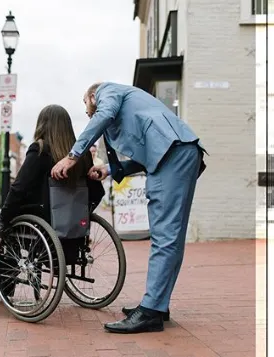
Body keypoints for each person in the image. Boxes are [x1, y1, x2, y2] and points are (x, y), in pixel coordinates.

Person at [51, 82, 206, 334]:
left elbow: (104, 114)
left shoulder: (107, 91)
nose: (87, 112)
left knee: (165, 238)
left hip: (173, 155)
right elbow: (146, 152)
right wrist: (110, 169)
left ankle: (151, 312)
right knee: (170, 239)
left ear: (92, 96)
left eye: (86, 105)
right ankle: (157, 305)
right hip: (174, 154)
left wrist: (73, 156)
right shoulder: (129, 108)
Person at [0, 105, 105, 257]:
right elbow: (97, 192)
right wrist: (79, 215)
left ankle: (4, 276)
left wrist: (4, 220)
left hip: (41, 228)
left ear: (42, 125)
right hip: (73, 232)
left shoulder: (40, 150)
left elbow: (19, 188)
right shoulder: (82, 156)